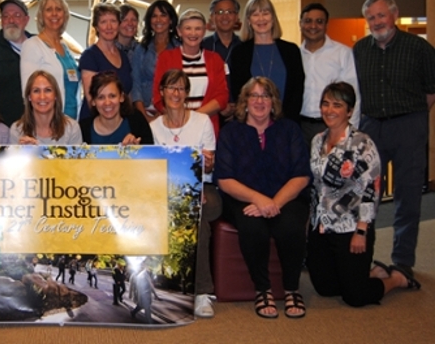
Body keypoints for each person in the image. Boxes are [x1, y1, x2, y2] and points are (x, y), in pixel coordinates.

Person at [306, 82, 419, 308]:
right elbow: (316, 185)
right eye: (325, 103)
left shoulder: (362, 144)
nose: (329, 110)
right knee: (326, 289)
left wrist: (361, 230)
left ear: (349, 111)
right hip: (321, 226)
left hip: (350, 227)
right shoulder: (317, 140)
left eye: (337, 105)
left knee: (355, 296)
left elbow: (371, 190)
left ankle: (395, 279)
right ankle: (371, 271)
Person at [353, 0, 435, 277]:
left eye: (381, 16)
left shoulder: (418, 47)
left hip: (409, 126)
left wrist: (411, 116)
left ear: (394, 14)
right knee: (367, 195)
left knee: (408, 194)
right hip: (371, 127)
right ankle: (365, 258)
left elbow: (431, 89)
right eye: (371, 18)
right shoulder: (360, 49)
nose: (377, 22)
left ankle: (402, 261)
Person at [216, 77, 311, 319]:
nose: (260, 101)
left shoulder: (290, 129)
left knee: (290, 226)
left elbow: (301, 175)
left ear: (273, 102)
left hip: (286, 197)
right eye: (254, 96)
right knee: (252, 227)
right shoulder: (231, 132)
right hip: (243, 198)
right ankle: (263, 290)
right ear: (245, 101)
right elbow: (225, 179)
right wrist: (259, 199)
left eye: (265, 96)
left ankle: (291, 289)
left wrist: (274, 203)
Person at [150, 69, 219, 318]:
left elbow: (209, 164)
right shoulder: (154, 128)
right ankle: (162, 287)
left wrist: (202, 173)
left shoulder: (202, 122)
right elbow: (157, 169)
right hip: (168, 191)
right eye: (171, 87)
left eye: (181, 88)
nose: (176, 93)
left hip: (204, 189)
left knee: (197, 217)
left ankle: (202, 293)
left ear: (187, 94)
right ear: (161, 92)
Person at [152, 8, 228, 137]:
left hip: (206, 128)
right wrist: (179, 120)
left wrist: (192, 119)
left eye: (198, 29)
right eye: (188, 28)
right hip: (173, 129)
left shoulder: (215, 59)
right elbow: (158, 97)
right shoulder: (166, 58)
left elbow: (222, 97)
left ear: (204, 31)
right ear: (179, 31)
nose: (193, 33)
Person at [229, 0, 305, 123]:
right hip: (250, 124)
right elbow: (239, 93)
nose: (261, 19)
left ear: (273, 18)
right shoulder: (239, 53)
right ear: (248, 20)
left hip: (286, 123)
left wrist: (284, 121)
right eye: (255, 14)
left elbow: (297, 91)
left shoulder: (291, 51)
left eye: (265, 13)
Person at [299, 3, 360, 145]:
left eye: (319, 21)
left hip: (333, 125)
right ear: (300, 24)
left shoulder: (342, 53)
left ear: (326, 25)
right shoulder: (295, 55)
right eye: (308, 21)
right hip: (301, 126)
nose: (313, 26)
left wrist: (351, 131)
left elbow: (353, 94)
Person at [20, 0, 80, 119]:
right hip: (48, 122)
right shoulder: (32, 45)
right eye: (49, 10)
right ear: (41, 15)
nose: (54, 14)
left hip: (72, 122)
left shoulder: (65, 47)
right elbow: (28, 91)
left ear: (65, 14)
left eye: (58, 9)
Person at [78, 3, 132, 120]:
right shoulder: (89, 56)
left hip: (120, 121)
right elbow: (91, 100)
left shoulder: (123, 56)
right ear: (96, 27)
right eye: (103, 22)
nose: (109, 27)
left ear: (119, 24)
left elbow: (128, 95)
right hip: (96, 124)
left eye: (113, 21)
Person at [131, 0, 179, 122]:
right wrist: (144, 116)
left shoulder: (180, 48)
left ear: (171, 20)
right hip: (145, 110)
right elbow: (136, 84)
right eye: (154, 16)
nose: (158, 20)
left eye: (163, 15)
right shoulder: (141, 49)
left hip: (173, 110)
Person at [10, 70, 82, 145]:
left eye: (48, 90)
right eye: (36, 91)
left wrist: (39, 152)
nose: (42, 97)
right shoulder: (17, 129)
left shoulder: (72, 128)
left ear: (55, 95)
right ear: (29, 97)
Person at [79, 71, 152, 145]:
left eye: (112, 96)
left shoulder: (137, 121)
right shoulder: (83, 129)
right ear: (93, 101)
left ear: (121, 97)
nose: (107, 103)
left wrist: (136, 150)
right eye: (101, 97)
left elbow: (151, 154)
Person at [202, 0, 242, 124]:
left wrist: (239, 107)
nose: (225, 17)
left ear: (236, 17)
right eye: (219, 12)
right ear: (212, 17)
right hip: (209, 114)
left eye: (230, 12)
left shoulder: (245, 47)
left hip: (242, 115)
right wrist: (219, 106)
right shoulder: (202, 46)